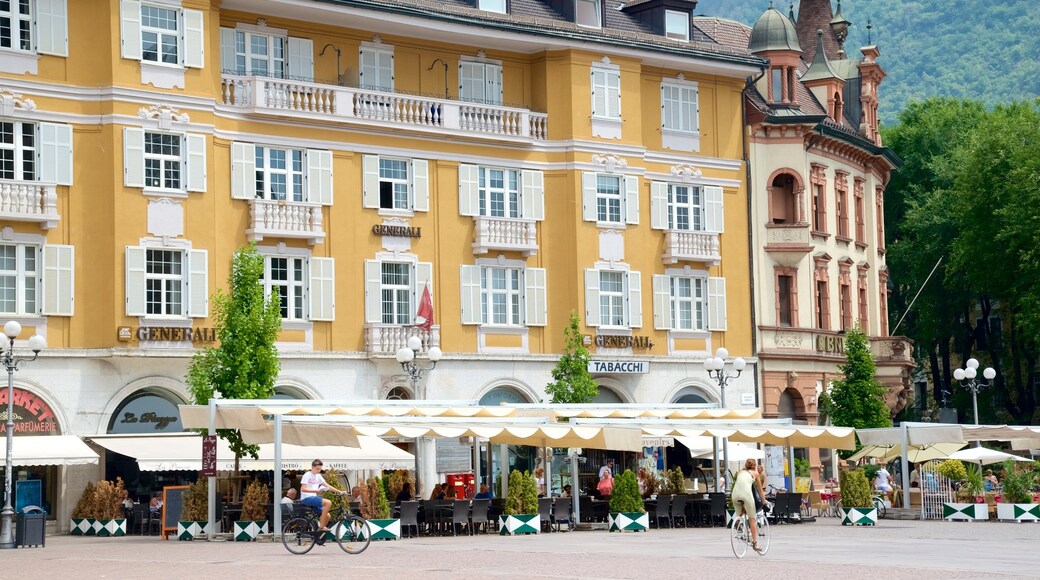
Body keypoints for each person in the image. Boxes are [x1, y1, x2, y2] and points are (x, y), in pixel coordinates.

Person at [300, 459, 344, 532]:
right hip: (307, 497)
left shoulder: (318, 476)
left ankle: (318, 535)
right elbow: (303, 489)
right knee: (328, 502)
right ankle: (322, 526)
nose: (318, 471)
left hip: (314, 498)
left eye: (320, 469)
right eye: (317, 469)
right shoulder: (307, 475)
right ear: (312, 467)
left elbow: (328, 486)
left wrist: (340, 491)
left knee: (328, 516)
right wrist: (316, 491)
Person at [732, 459, 764, 554]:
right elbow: (760, 490)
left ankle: (738, 521)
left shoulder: (740, 472)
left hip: (735, 495)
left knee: (741, 512)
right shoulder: (755, 473)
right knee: (752, 519)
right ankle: (755, 543)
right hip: (746, 495)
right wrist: (764, 501)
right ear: (755, 466)